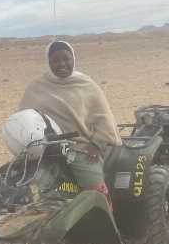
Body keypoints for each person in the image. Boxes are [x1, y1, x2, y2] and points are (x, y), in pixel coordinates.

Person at [18, 40, 122, 198]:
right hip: (44, 147)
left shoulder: (86, 85)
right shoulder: (36, 87)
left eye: (66, 59)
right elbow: (23, 117)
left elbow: (104, 117)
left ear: (73, 59)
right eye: (55, 60)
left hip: (78, 147)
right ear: (48, 63)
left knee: (95, 190)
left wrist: (97, 144)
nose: (62, 64)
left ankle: (105, 210)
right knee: (19, 181)